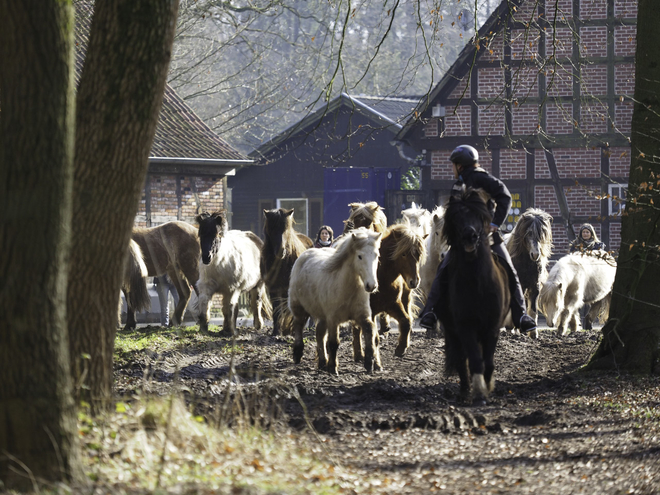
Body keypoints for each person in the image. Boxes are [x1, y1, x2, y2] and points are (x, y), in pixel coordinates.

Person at [419, 144, 537, 336]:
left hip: (486, 236)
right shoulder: (458, 185)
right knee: (445, 269)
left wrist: (495, 223)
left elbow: (505, 197)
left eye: (453, 165)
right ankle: (521, 316)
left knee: (507, 269)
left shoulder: (482, 178)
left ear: (460, 165)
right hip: (463, 238)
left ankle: (430, 311)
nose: (452, 168)